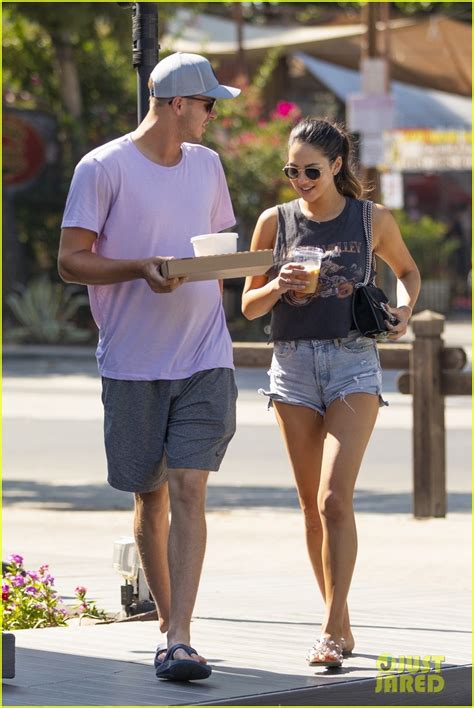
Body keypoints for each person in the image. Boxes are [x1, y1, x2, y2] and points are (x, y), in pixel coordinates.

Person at [58, 52, 240, 681]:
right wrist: (139, 267)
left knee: (190, 486)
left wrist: (249, 269)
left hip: (204, 356)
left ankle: (180, 636)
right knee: (151, 494)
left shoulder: (208, 167)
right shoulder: (102, 167)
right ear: (176, 104)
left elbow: (217, 249)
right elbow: (70, 260)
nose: (215, 114)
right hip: (133, 362)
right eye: (209, 103)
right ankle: (168, 624)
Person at [242, 118, 420, 668]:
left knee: (333, 499)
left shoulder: (373, 220)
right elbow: (249, 306)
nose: (300, 180)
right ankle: (340, 622)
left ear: (337, 166)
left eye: (311, 171)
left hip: (352, 362)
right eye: (291, 170)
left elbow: (409, 272)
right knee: (310, 510)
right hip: (292, 367)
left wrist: (403, 314)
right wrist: (277, 283)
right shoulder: (275, 222)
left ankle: (327, 630)